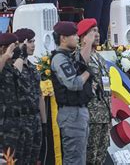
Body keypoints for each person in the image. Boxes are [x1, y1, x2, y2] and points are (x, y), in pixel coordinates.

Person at [50, 21, 94, 165]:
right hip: (71, 114)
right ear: (63, 38)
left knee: (80, 157)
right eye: (74, 35)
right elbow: (73, 83)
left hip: (78, 111)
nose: (77, 37)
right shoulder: (59, 58)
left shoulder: (69, 55)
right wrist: (88, 72)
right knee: (74, 159)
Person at [77, 19, 112, 165]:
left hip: (104, 113)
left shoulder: (100, 58)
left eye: (97, 31)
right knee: (89, 155)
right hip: (90, 115)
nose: (97, 35)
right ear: (83, 36)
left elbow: (107, 86)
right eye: (92, 31)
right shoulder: (80, 57)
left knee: (101, 154)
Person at [14, 28, 46, 165]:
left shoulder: (33, 68)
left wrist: (44, 123)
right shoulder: (12, 66)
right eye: (29, 42)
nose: (33, 45)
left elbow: (39, 95)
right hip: (20, 122)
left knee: (34, 159)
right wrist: (20, 54)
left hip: (35, 121)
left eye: (34, 41)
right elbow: (15, 75)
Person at [0, 33, 23, 163]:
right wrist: (5, 56)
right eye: (13, 47)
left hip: (13, 123)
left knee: (13, 159)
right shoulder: (2, 62)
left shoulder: (8, 66)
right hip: (2, 124)